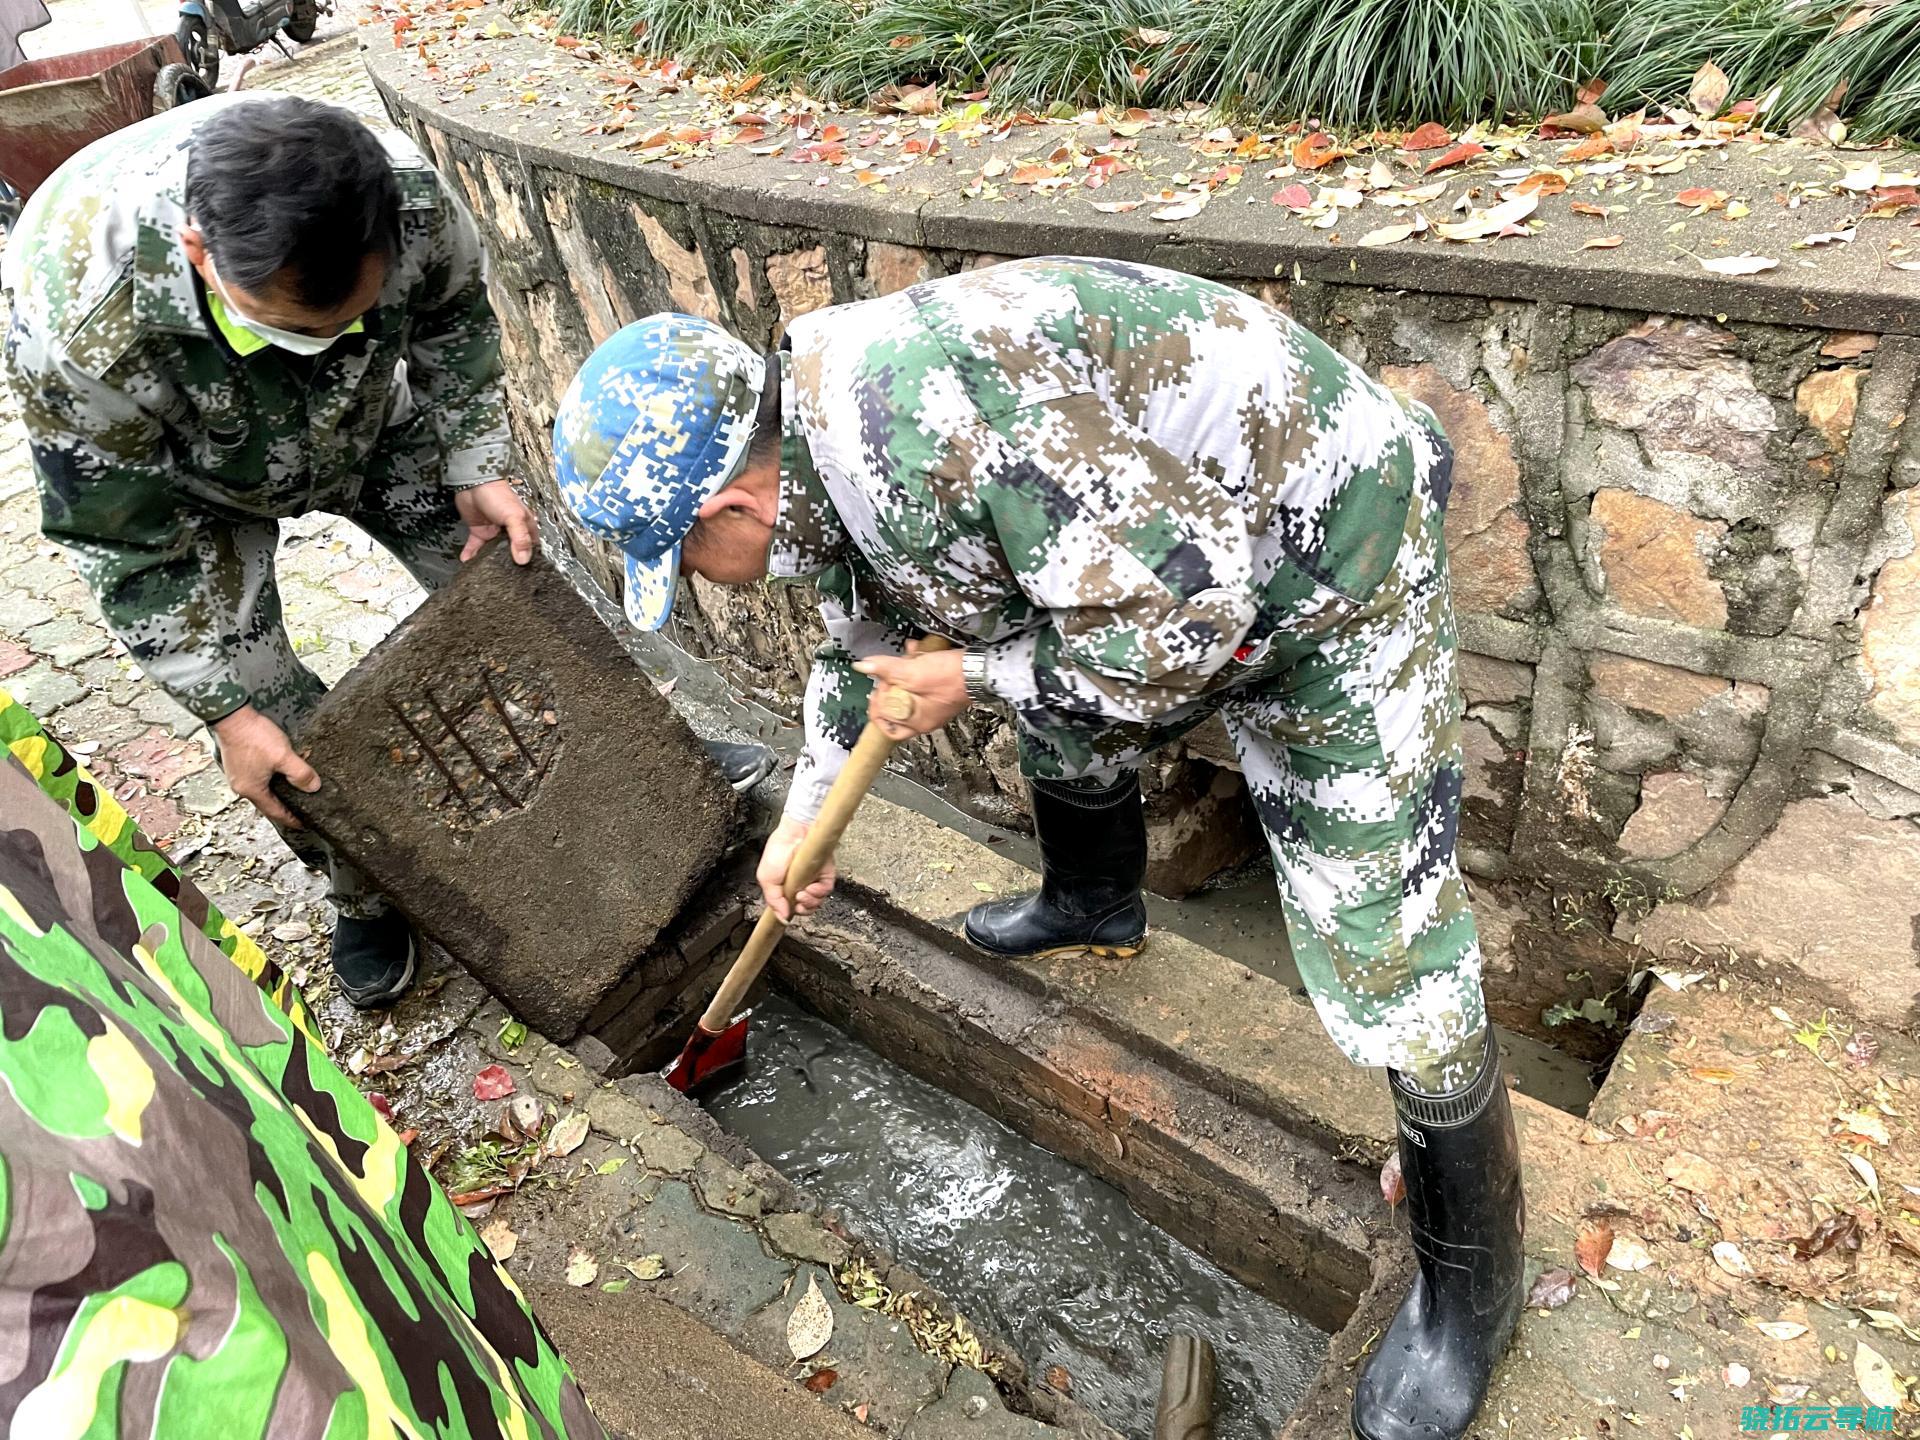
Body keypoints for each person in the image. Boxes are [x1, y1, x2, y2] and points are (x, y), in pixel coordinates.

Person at [551, 256, 1523, 1439]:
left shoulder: (930, 425)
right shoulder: (810, 443)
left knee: (1385, 924)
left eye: (686, 564)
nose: (702, 588)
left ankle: (1471, 1286)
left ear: (727, 510)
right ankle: (1095, 900)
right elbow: (863, 652)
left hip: (1324, 555)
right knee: (1063, 709)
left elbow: (1185, 626)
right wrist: (807, 820)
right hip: (1157, 565)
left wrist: (976, 674)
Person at [1, 94, 771, 1010]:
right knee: (281, 734)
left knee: (506, 573)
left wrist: (474, 460)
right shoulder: (78, 322)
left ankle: (652, 766)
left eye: (350, 316)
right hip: (192, 492)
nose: (322, 341)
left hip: (368, 425)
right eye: (295, 322)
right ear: (203, 255)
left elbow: (454, 319)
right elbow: (119, 537)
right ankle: (365, 892)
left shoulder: (408, 202)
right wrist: (221, 712)